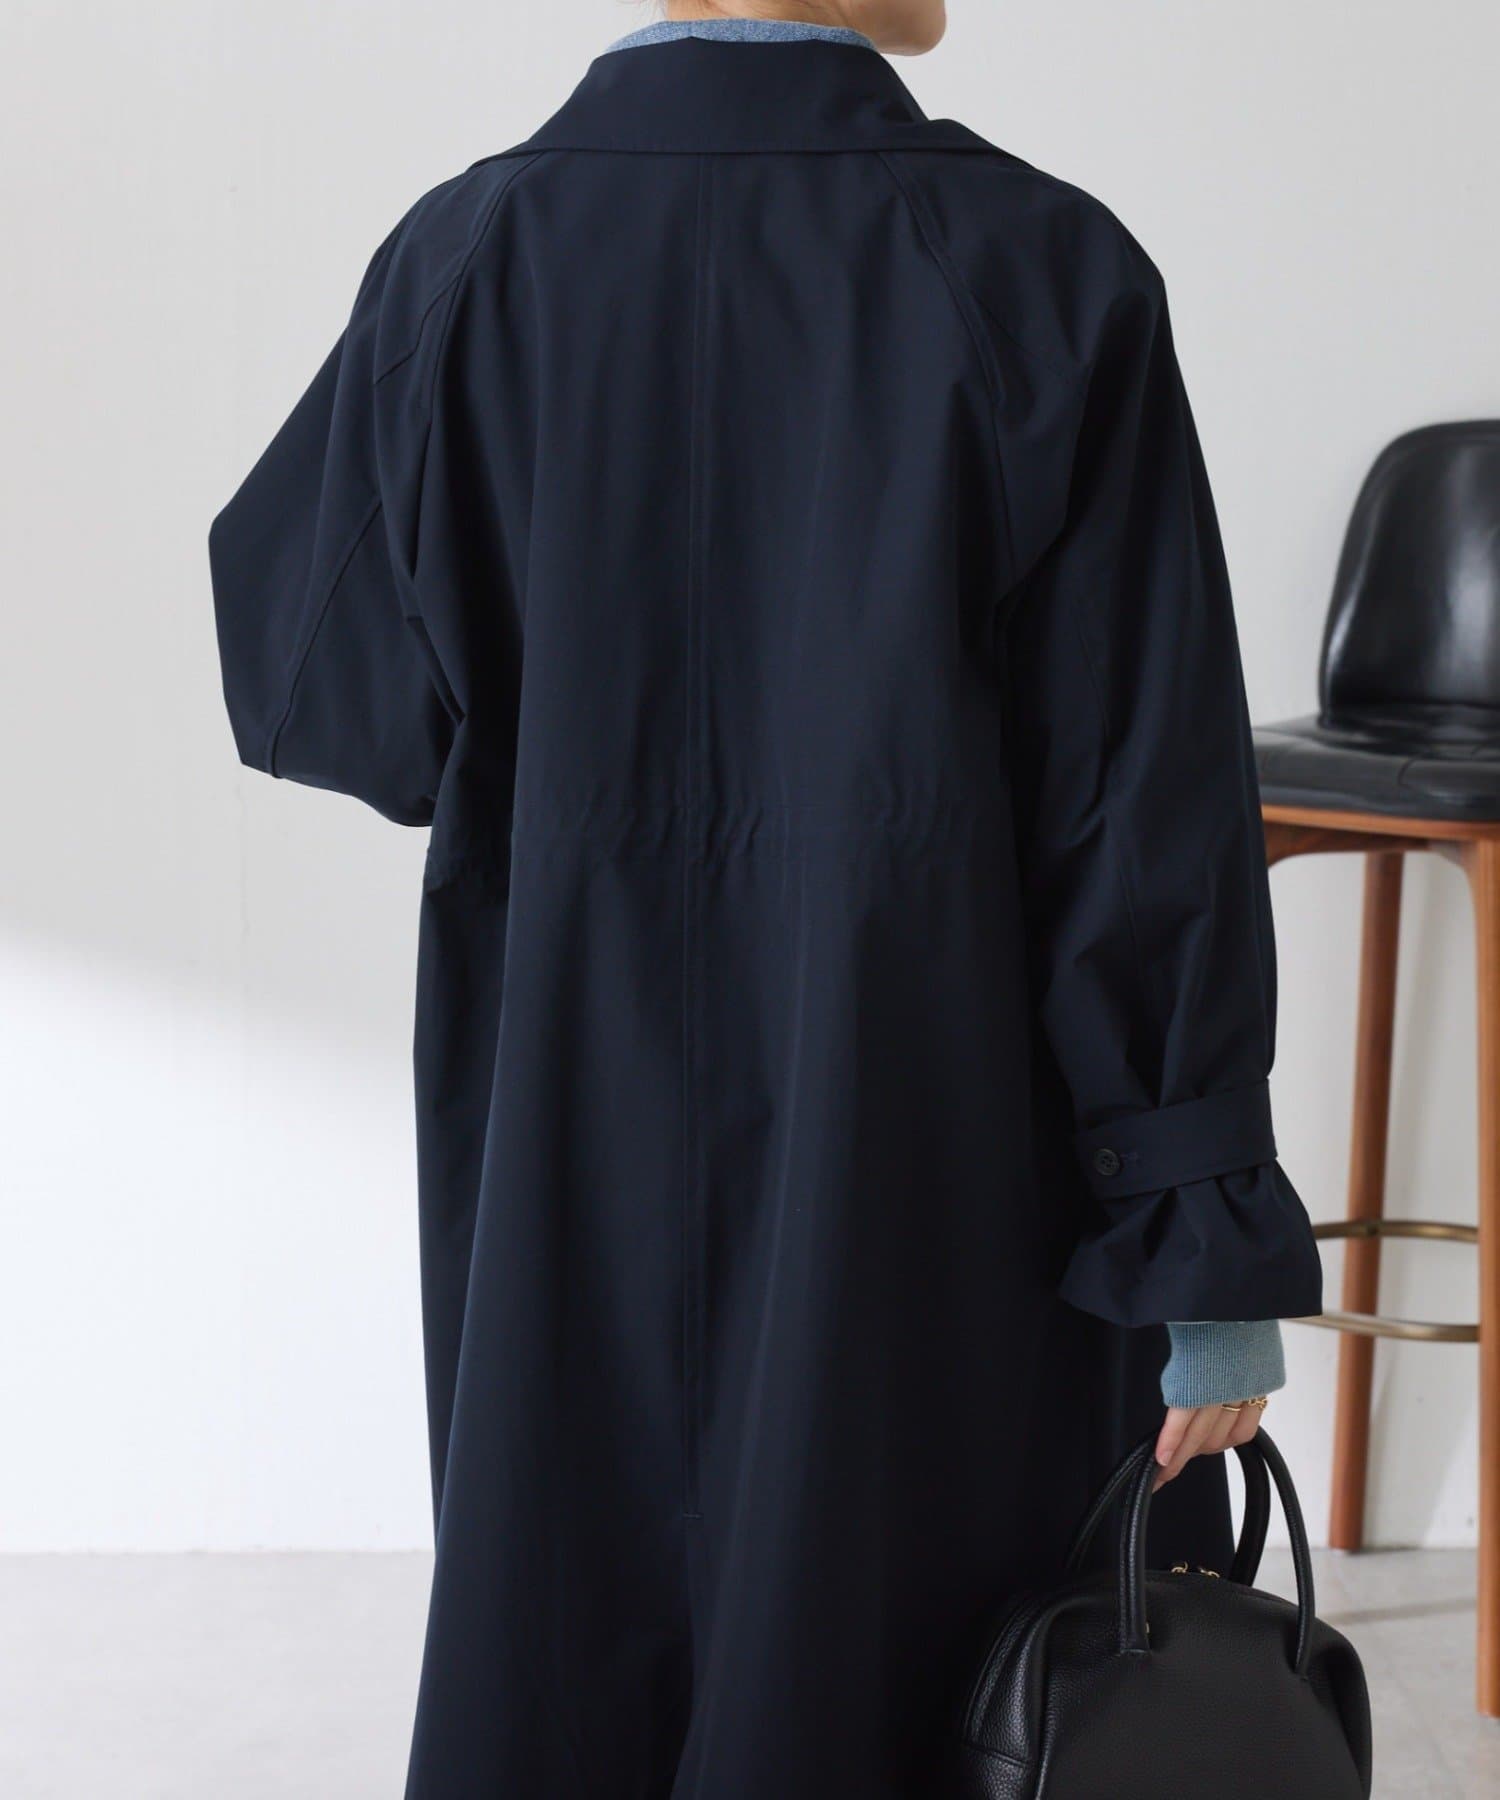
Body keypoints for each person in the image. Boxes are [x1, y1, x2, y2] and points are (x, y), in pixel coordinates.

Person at [209, 3, 1323, 1793]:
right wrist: (1202, 1237)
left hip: (572, 1128)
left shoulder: (468, 255)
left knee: (576, 1627)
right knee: (925, 1668)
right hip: (936, 1145)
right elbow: (1145, 808)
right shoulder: (1044, 265)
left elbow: (317, 692)